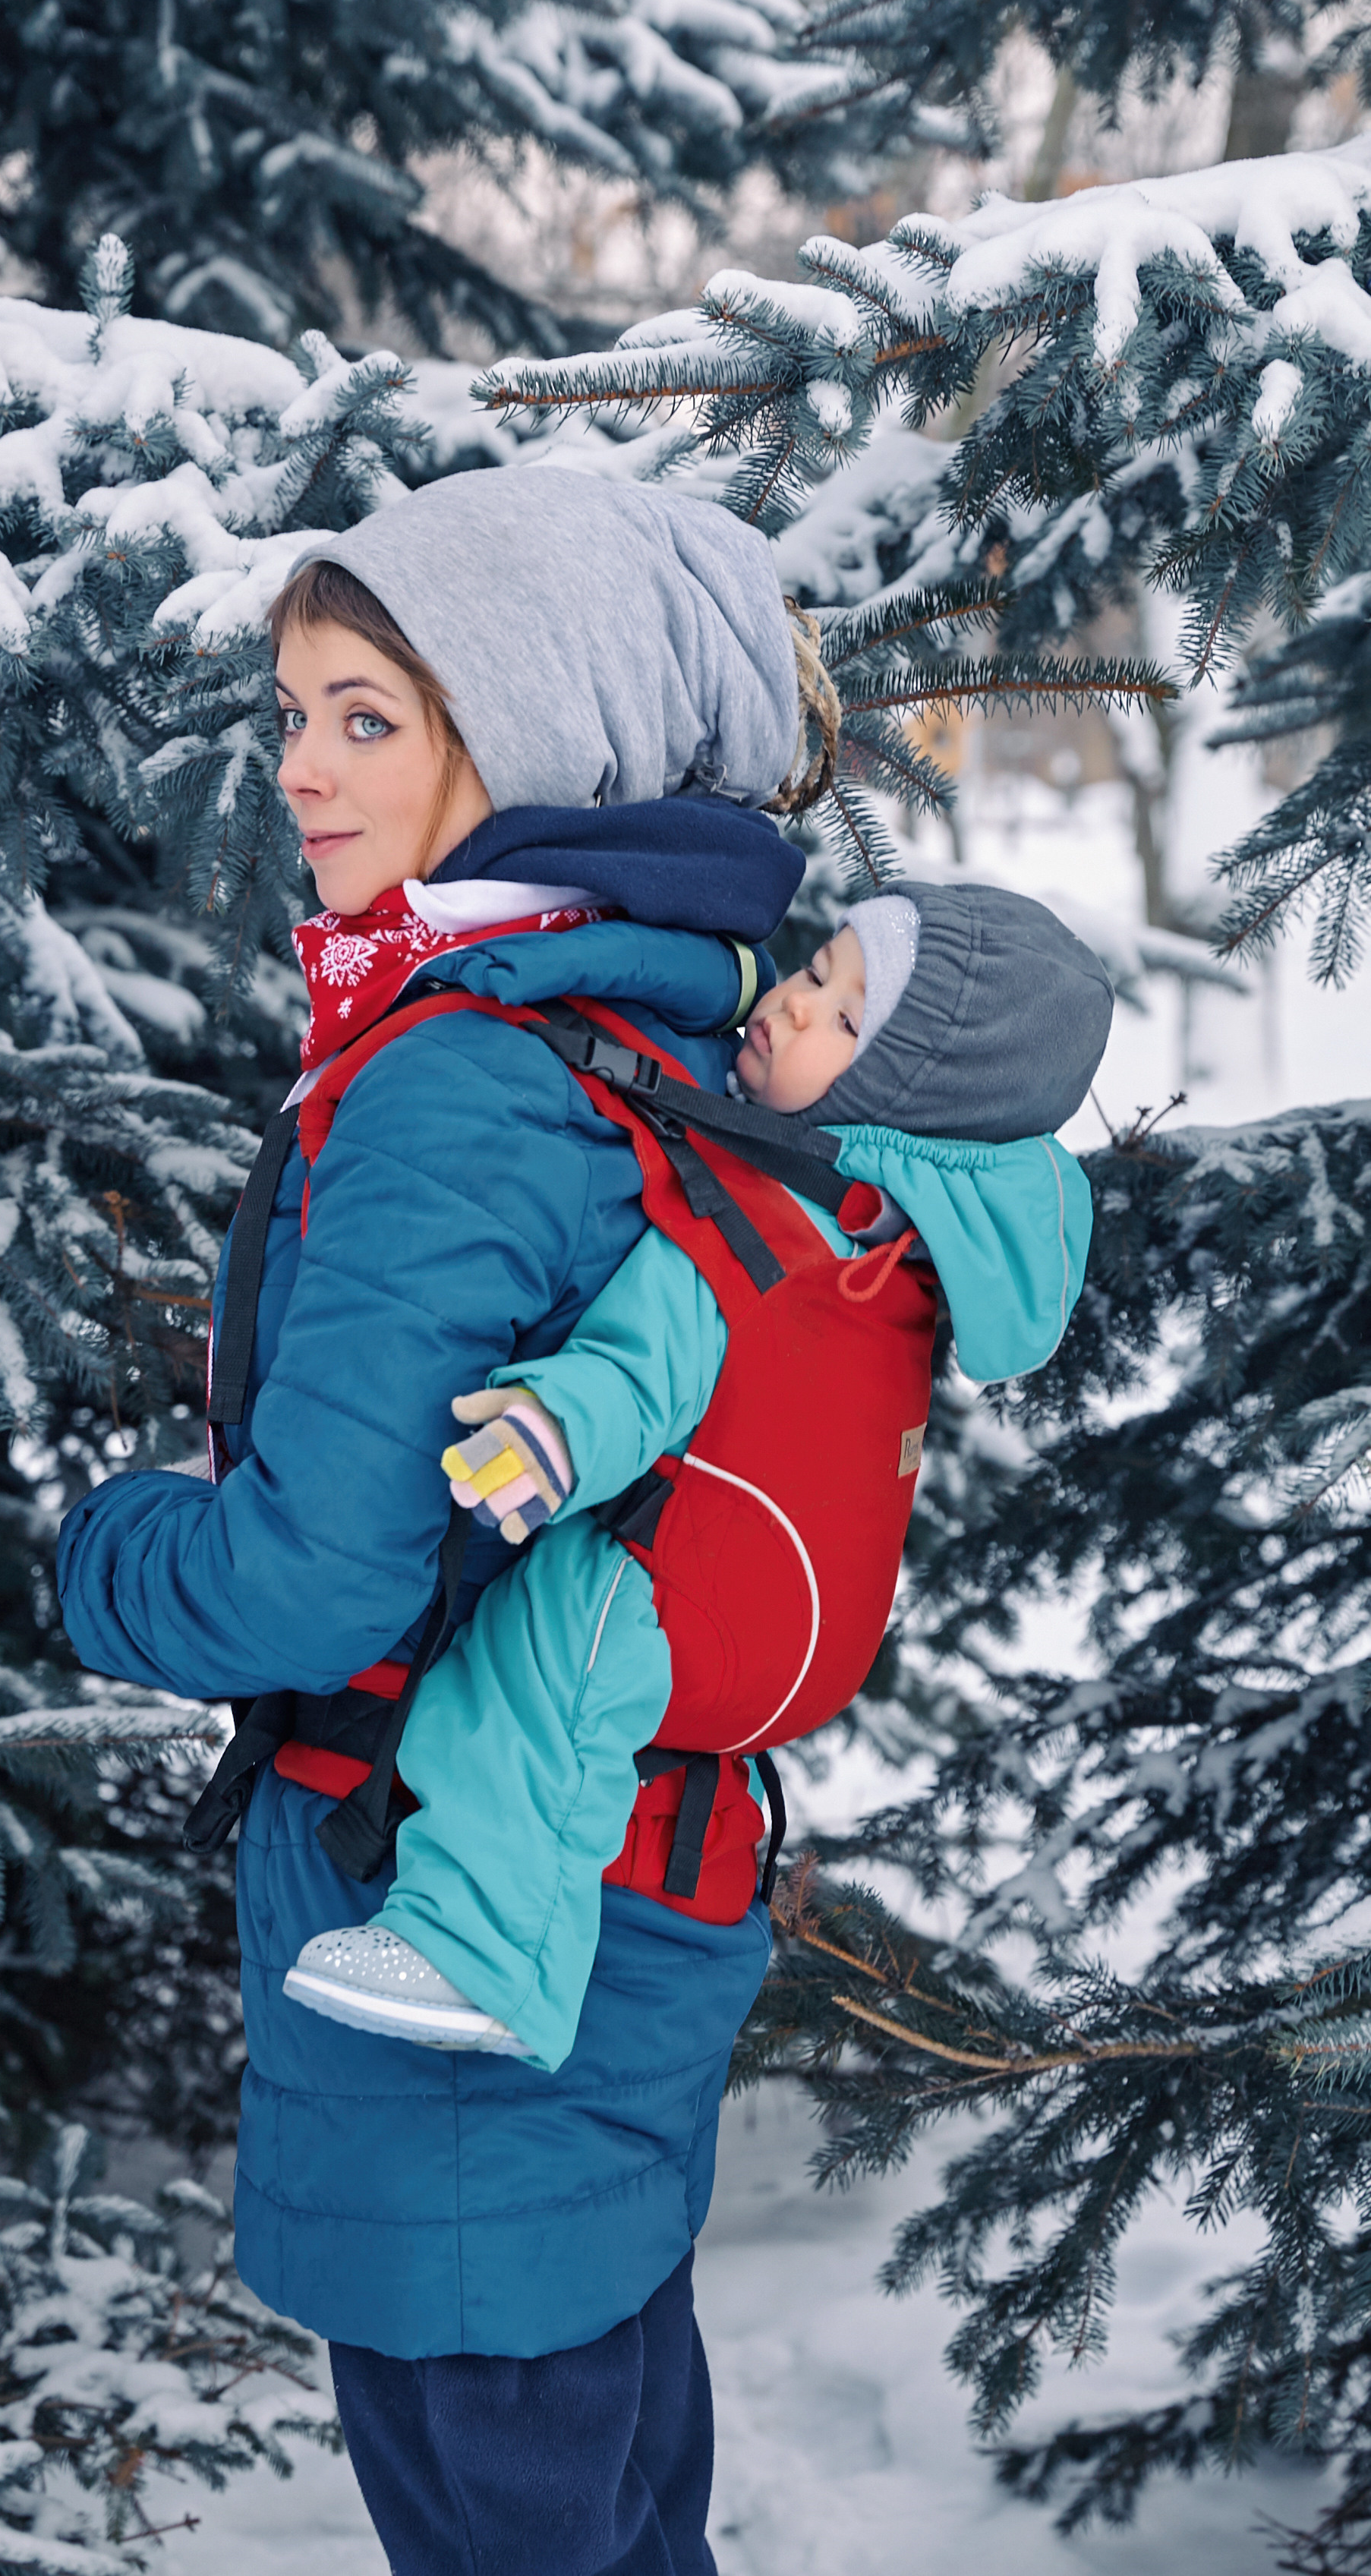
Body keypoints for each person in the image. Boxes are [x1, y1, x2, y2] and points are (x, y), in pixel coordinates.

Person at [56, 463, 830, 2575]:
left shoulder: (461, 1072)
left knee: (511, 2511)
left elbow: (318, 1566)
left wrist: (110, 1551)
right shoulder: (651, 1009)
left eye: (366, 716)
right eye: (290, 709)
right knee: (599, 2481)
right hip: (619, 1873)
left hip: (449, 1912)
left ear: (533, 731)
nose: (296, 767)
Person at [282, 883, 1114, 2069]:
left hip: (701, 1612)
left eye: (837, 1016)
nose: (787, 1003)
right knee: (570, 1662)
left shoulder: (760, 1223)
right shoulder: (902, 1242)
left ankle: (477, 1961)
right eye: (815, 971)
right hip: (804, 1631)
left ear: (900, 1097)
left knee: (529, 1680)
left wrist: (544, 1435)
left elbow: (642, 1368)